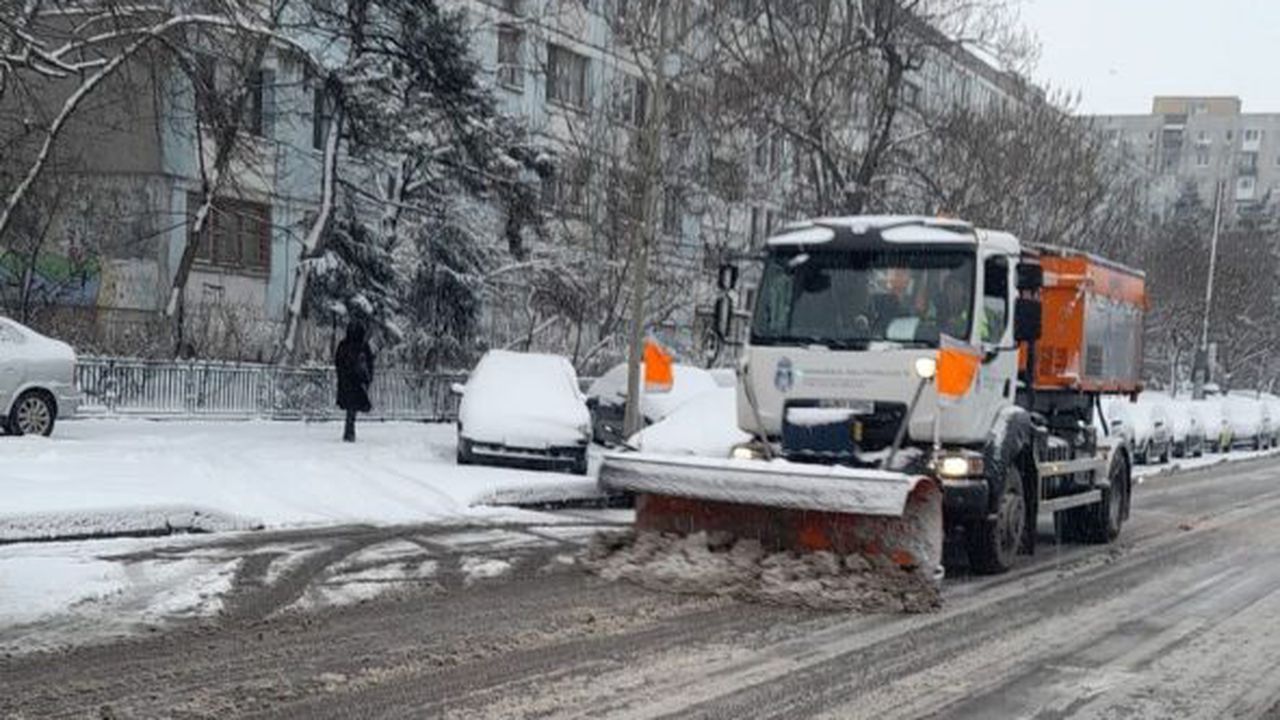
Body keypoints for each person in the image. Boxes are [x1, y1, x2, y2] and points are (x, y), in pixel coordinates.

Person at [335, 320, 374, 442]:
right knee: (353, 408)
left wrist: (342, 375)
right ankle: (349, 432)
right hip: (357, 381)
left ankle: (349, 432)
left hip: (347, 381)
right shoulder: (363, 346)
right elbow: (369, 363)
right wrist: (368, 378)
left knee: (351, 408)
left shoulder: (344, 345)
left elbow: (338, 362)